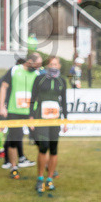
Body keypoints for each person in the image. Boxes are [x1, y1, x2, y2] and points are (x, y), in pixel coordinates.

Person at [0, 52, 41, 179]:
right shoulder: (15, 70)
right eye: (37, 64)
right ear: (29, 61)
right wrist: (2, 106)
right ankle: (14, 167)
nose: (38, 67)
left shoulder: (37, 74)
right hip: (14, 111)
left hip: (32, 112)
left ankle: (45, 165)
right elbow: (3, 87)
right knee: (14, 140)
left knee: (40, 140)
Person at [29, 56, 69, 193]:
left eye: (56, 64)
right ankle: (40, 178)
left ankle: (49, 178)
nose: (53, 66)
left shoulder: (61, 81)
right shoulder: (40, 79)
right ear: (47, 65)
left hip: (55, 119)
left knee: (53, 149)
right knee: (43, 147)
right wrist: (31, 117)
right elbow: (32, 98)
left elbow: (64, 101)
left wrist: (65, 119)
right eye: (51, 63)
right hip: (42, 118)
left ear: (59, 66)